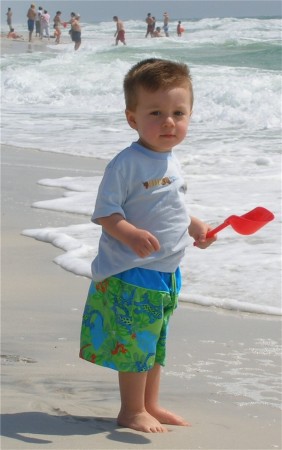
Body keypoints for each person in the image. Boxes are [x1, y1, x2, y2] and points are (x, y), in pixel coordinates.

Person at [79, 58, 216, 433]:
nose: (169, 122)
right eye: (156, 112)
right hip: (132, 271)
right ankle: (130, 410)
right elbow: (106, 213)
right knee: (135, 344)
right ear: (132, 118)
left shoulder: (170, 160)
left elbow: (172, 205)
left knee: (155, 342)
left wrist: (196, 227)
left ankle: (149, 404)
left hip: (166, 271)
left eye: (178, 112)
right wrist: (130, 233)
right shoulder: (127, 163)